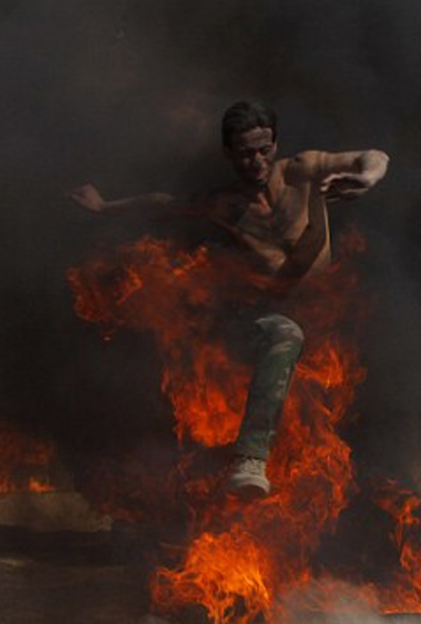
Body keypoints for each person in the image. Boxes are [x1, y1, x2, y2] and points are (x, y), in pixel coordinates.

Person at [70, 100, 389, 499]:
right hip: (262, 316)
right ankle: (248, 461)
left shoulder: (304, 170)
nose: (256, 161)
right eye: (245, 153)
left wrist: (369, 178)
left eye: (264, 149)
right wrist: (104, 207)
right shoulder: (224, 205)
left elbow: (372, 156)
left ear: (275, 145)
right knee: (283, 334)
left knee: (364, 377)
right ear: (228, 154)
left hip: (323, 312)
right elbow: (162, 204)